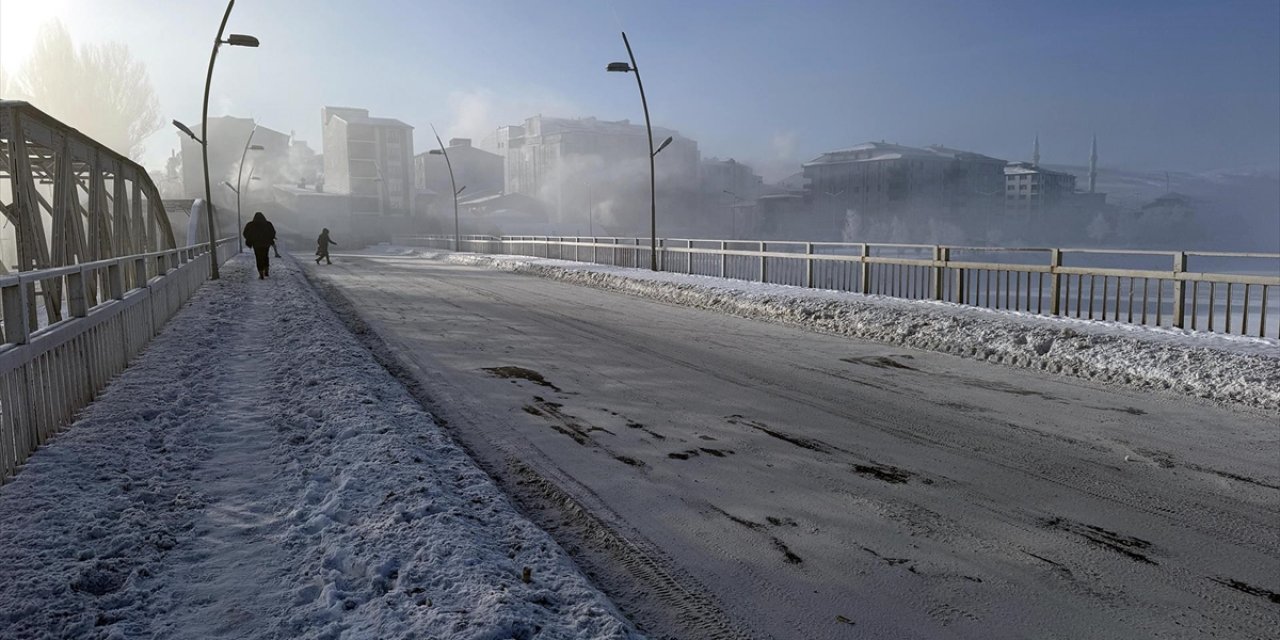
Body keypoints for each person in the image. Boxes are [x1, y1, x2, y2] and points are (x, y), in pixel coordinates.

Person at [242, 211, 277, 279]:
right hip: (266, 244)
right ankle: (266, 270)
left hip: (256, 244)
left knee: (258, 257)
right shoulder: (268, 224)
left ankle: (261, 273)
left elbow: (245, 233)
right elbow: (273, 232)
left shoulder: (251, 224)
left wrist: (250, 239)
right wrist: (270, 238)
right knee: (265, 256)